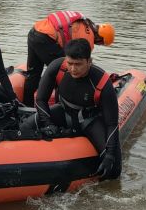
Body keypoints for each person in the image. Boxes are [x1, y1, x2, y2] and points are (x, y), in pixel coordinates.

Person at [27, 38, 121, 179]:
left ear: (89, 61)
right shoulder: (57, 67)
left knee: (114, 170)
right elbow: (41, 99)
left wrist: (110, 155)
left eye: (78, 64)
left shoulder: (102, 81)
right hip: (64, 112)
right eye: (70, 63)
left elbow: (112, 123)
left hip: (90, 120)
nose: (73, 69)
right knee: (25, 126)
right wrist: (48, 124)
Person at [22, 10, 114, 107]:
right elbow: (84, 63)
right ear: (100, 38)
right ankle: (60, 105)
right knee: (61, 73)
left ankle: (26, 105)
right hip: (47, 38)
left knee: (33, 74)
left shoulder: (84, 22)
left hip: (35, 31)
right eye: (101, 43)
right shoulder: (88, 38)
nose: (98, 44)